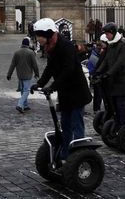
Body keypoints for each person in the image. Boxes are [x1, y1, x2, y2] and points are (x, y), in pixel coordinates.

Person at [33, 18, 92, 159]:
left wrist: (52, 87)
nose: (38, 39)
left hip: (77, 92)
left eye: (40, 36)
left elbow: (68, 70)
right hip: (65, 93)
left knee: (76, 123)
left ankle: (79, 155)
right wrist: (40, 83)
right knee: (65, 124)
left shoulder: (66, 47)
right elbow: (50, 68)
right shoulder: (51, 48)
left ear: (48, 34)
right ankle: (66, 155)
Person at [95, 22, 125, 127]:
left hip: (121, 82)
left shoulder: (124, 46)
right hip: (113, 82)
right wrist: (98, 72)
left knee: (121, 107)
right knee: (115, 107)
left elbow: (120, 63)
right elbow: (106, 61)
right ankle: (117, 126)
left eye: (107, 34)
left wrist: (108, 73)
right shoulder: (111, 46)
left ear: (113, 33)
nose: (106, 36)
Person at [7, 37, 39, 113]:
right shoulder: (31, 53)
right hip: (28, 74)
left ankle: (25, 105)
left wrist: (9, 74)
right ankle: (20, 104)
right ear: (28, 44)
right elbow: (35, 64)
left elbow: (13, 64)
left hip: (20, 74)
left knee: (22, 90)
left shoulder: (17, 52)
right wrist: (36, 73)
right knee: (26, 91)